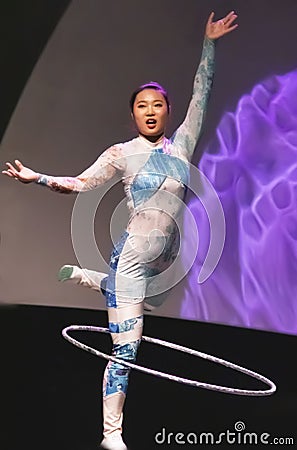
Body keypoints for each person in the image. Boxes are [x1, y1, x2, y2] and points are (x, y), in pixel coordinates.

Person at [2, 11, 238, 450]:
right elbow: (80, 184)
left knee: (154, 298)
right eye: (141, 106)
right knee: (126, 349)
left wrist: (210, 44)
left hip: (167, 260)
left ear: (168, 111)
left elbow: (201, 92)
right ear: (133, 115)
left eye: (158, 104)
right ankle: (112, 436)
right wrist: (38, 178)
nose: (150, 111)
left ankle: (90, 279)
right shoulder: (121, 153)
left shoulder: (183, 143)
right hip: (132, 258)